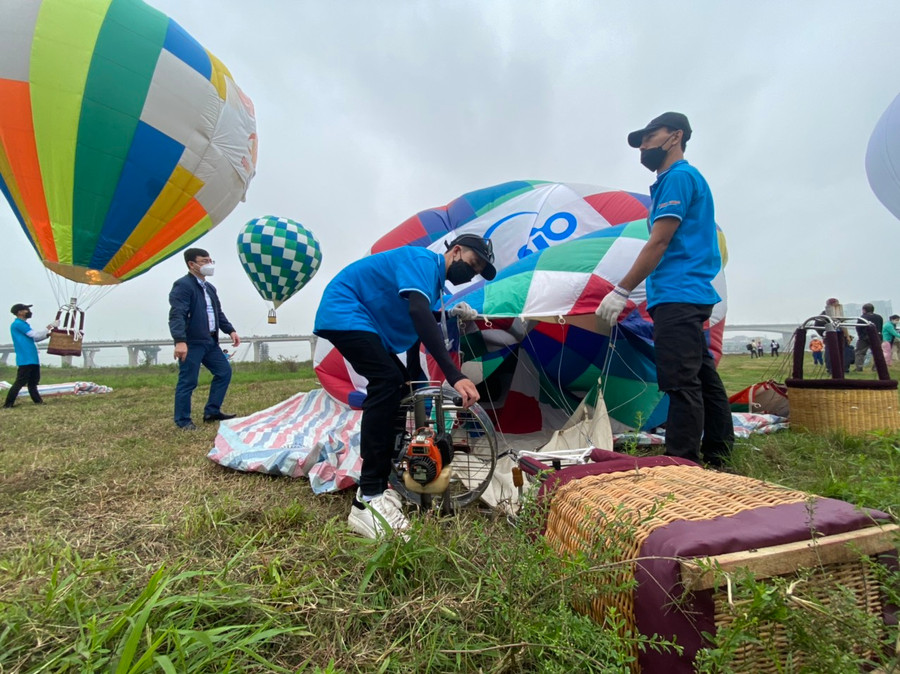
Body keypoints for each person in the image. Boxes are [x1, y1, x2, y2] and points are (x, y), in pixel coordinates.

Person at [314, 234, 493, 538]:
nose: (471, 274)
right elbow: (418, 315)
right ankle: (367, 499)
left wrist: (415, 386)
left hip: (367, 322)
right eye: (473, 264)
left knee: (398, 387)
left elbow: (415, 336)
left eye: (477, 273)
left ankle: (382, 483)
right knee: (385, 383)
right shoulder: (423, 260)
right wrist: (454, 375)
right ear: (457, 251)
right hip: (346, 310)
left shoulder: (433, 288)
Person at [596, 112, 733, 467]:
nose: (642, 145)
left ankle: (682, 462)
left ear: (675, 137)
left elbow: (659, 243)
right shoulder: (678, 180)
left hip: (678, 293)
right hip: (690, 293)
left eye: (649, 136)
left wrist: (622, 290)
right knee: (702, 373)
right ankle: (719, 451)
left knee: (679, 380)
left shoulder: (677, 177)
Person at [168, 248, 240, 430]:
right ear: (191, 264)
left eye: (210, 260)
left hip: (210, 341)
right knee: (188, 381)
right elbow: (177, 314)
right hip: (192, 342)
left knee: (224, 372)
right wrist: (180, 340)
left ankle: (212, 411)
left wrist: (229, 330)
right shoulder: (183, 286)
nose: (209, 264)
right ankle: (183, 421)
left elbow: (217, 312)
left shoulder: (210, 288)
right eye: (204, 261)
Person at [4, 303, 55, 409]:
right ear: (19, 312)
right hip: (25, 358)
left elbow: (35, 338)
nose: (28, 311)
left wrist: (47, 335)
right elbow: (34, 335)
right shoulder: (18, 324)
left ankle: (38, 401)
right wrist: (50, 327)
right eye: (26, 309)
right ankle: (8, 404)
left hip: (32, 357)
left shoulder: (24, 324)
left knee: (33, 382)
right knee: (20, 381)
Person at [853, 303, 883, 372]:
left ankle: (859, 368)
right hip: (877, 337)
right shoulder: (879, 317)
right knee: (877, 353)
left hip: (864, 338)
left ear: (864, 310)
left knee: (860, 353)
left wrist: (861, 337)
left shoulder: (862, 317)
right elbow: (880, 327)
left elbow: (858, 328)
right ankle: (876, 368)